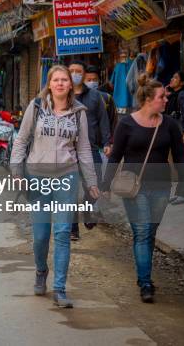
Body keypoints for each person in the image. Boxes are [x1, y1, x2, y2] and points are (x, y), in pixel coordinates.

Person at [10, 65, 99, 308]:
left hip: (67, 178)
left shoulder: (79, 112)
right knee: (40, 236)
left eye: (64, 80)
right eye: (56, 80)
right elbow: (21, 140)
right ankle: (41, 271)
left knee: (62, 233)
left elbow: (84, 149)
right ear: (49, 84)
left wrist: (91, 182)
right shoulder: (36, 107)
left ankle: (60, 288)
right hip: (38, 178)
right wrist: (16, 170)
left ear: (71, 85)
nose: (60, 83)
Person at [102, 74, 184, 303]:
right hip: (134, 188)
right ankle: (145, 281)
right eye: (162, 96)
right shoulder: (126, 123)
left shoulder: (170, 124)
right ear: (148, 99)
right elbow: (115, 156)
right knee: (142, 232)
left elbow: (181, 154)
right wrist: (105, 186)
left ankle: (143, 273)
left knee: (150, 233)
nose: (166, 99)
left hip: (161, 187)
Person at [68, 60, 111, 240]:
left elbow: (103, 120)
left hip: (91, 148)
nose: (76, 74)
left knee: (94, 185)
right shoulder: (62, 95)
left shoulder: (95, 97)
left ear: (84, 75)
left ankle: (86, 209)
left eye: (79, 71)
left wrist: (108, 142)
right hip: (67, 150)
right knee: (69, 190)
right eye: (72, 71)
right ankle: (73, 229)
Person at [165, 71, 184, 205]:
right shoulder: (174, 95)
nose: (172, 79)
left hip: (181, 133)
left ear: (182, 83)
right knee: (179, 163)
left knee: (183, 163)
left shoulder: (183, 95)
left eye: (175, 78)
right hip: (175, 133)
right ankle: (180, 192)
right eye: (172, 76)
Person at [85, 65, 118, 141]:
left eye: (94, 80)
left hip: (103, 144)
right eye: (88, 80)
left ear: (99, 80)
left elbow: (113, 122)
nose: (92, 82)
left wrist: (111, 141)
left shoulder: (107, 98)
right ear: (83, 81)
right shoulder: (78, 99)